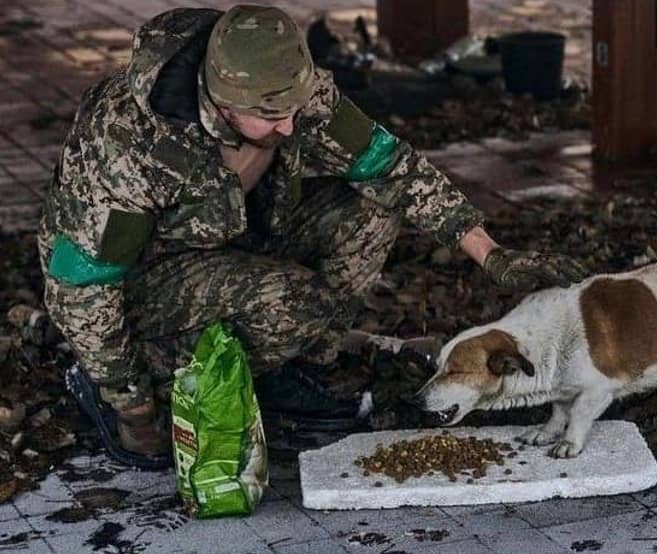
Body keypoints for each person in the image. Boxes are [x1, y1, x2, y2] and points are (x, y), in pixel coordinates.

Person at [38, 5, 587, 463]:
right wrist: (131, 405)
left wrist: (490, 254)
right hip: (145, 279)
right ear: (220, 102)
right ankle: (114, 382)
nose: (289, 127)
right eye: (271, 117)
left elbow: (391, 167)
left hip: (236, 237)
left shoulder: (292, 95)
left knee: (371, 209)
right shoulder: (130, 146)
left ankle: (291, 369)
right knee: (295, 302)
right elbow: (82, 290)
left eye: (295, 109)